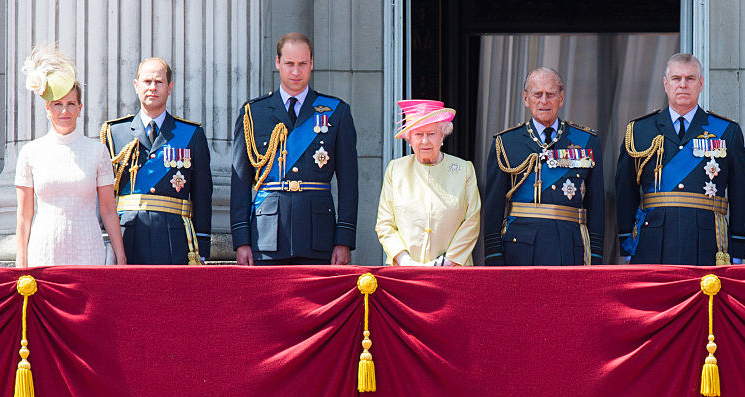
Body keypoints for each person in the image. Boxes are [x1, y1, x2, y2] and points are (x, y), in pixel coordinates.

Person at [230, 32, 358, 265]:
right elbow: (239, 182)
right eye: (289, 64)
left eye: (302, 64)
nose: (296, 71)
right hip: (266, 234)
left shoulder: (336, 112)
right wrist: (241, 240)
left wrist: (344, 239)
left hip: (318, 234)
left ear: (312, 63)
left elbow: (349, 182)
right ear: (277, 63)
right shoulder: (253, 113)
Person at [615, 53, 745, 265]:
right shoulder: (639, 130)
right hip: (653, 239)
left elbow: (741, 193)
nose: (683, 85)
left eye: (690, 79)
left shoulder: (727, 131)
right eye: (676, 79)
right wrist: (627, 242)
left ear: (701, 83)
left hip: (708, 240)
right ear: (665, 83)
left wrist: (737, 247)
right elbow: (626, 190)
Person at [14, 44, 127, 266]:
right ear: (47, 108)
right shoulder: (30, 153)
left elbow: (108, 210)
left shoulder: (97, 150)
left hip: (88, 251)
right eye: (57, 104)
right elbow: (24, 215)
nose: (64, 111)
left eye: (70, 104)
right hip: (44, 252)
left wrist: (120, 256)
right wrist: (21, 260)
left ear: (79, 107)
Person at [483, 68, 603, 266]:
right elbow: (493, 207)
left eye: (551, 94)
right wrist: (493, 255)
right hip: (519, 249)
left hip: (570, 247)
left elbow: (596, 204)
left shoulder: (587, 140)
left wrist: (596, 254)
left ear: (561, 98)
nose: (544, 101)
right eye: (537, 94)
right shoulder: (506, 142)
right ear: (525, 98)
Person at [100, 58, 213, 265]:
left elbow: (202, 195)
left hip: (175, 238)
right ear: (136, 86)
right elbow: (103, 193)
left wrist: (202, 246)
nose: (153, 87)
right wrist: (105, 241)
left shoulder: (191, 134)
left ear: (169, 87)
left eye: (159, 82)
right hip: (127, 235)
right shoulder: (114, 133)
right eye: (147, 82)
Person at [376, 100, 480, 266]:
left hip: (454, 271)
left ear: (442, 136)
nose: (425, 141)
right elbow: (385, 223)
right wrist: (405, 261)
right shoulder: (396, 170)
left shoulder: (464, 169)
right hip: (405, 272)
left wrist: (448, 262)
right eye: (418, 134)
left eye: (431, 134)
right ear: (409, 138)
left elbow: (472, 221)